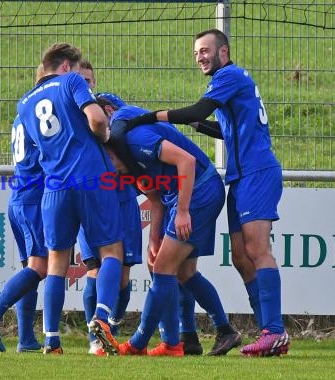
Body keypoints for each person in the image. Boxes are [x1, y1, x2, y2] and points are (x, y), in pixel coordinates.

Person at [124, 28, 289, 357]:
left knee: (257, 249)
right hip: (241, 176)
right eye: (196, 52)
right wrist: (200, 127)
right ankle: (266, 333)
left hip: (257, 172)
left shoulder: (228, 75)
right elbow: (228, 129)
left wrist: (148, 117)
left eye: (205, 50)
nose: (200, 57)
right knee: (241, 258)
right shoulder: (232, 82)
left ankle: (274, 331)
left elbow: (198, 111)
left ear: (223, 52)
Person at [100, 100, 240, 357]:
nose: (107, 168)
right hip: (187, 193)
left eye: (106, 159)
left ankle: (139, 344)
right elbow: (154, 199)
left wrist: (184, 211)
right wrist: (154, 239)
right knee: (183, 272)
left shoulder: (135, 139)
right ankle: (220, 331)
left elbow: (186, 162)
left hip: (199, 191)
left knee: (164, 268)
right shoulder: (125, 156)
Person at [17, 43, 124, 355]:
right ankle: (102, 319)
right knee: (111, 252)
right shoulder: (71, 82)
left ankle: (51, 339)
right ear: (66, 66)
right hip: (91, 177)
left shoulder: (24, 103)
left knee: (56, 263)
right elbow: (98, 120)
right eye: (77, 68)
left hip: (54, 187)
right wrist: (103, 137)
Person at [0, 65, 47, 353]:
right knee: (39, 267)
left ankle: (26, 338)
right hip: (32, 198)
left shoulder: (23, 112)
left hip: (19, 197)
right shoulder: (41, 112)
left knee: (32, 268)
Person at [75, 91, 142, 356]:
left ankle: (111, 327)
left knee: (123, 277)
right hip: (92, 205)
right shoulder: (78, 126)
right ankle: (95, 338)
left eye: (90, 81)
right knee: (94, 269)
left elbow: (132, 164)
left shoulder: (118, 124)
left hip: (124, 205)